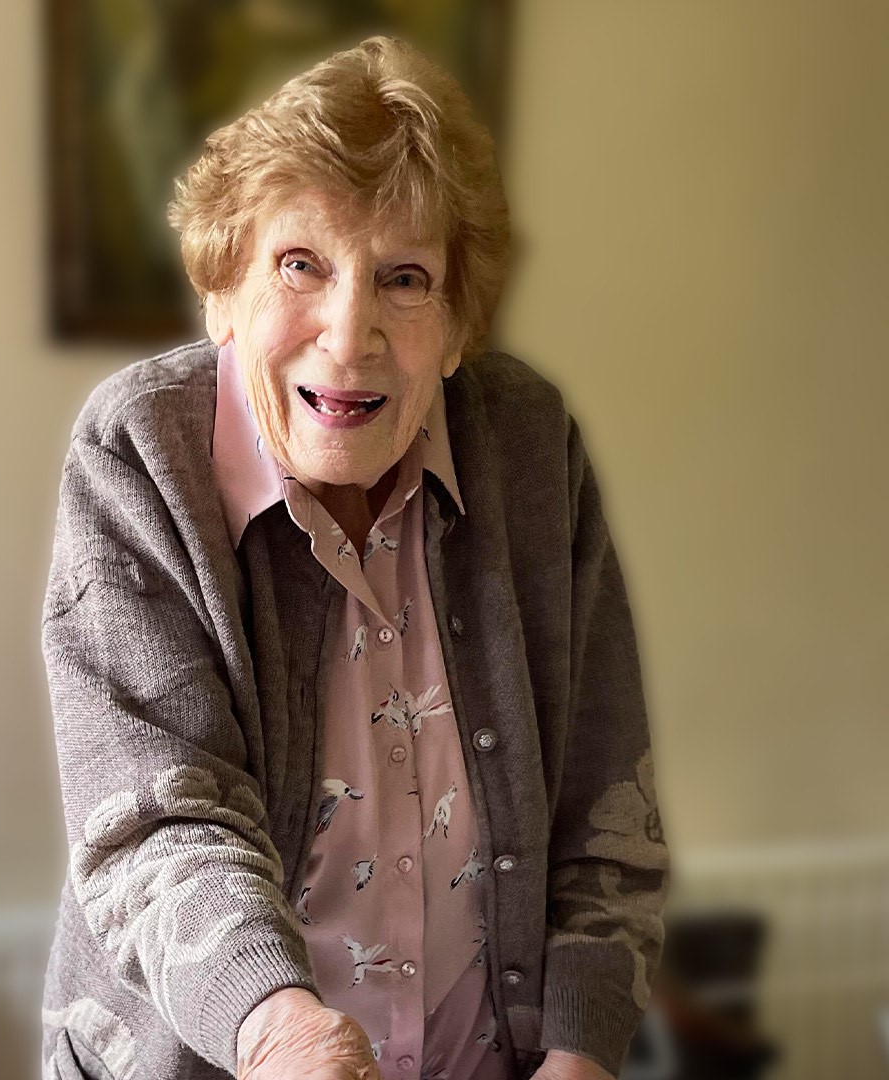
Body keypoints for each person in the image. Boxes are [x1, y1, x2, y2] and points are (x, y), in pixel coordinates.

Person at [40, 36, 669, 1080]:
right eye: (301, 265)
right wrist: (282, 1032)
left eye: (405, 279)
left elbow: (607, 808)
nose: (349, 333)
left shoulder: (527, 448)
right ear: (221, 290)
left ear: (457, 327)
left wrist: (579, 1049)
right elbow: (157, 821)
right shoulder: (140, 453)